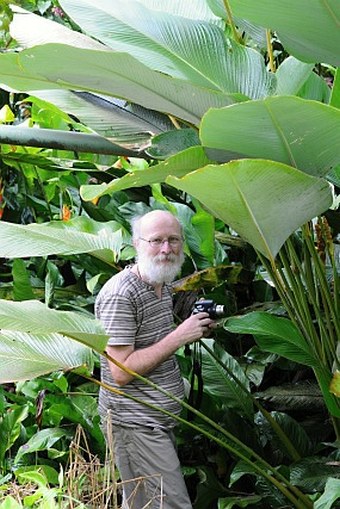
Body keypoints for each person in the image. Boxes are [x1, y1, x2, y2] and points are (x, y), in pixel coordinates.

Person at [95, 209, 214, 509]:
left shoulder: (162, 283)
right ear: (137, 244)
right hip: (134, 423)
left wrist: (196, 327)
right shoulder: (120, 294)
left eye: (174, 240)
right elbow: (121, 372)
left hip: (155, 421)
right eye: (157, 240)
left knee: (140, 504)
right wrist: (179, 336)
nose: (166, 249)